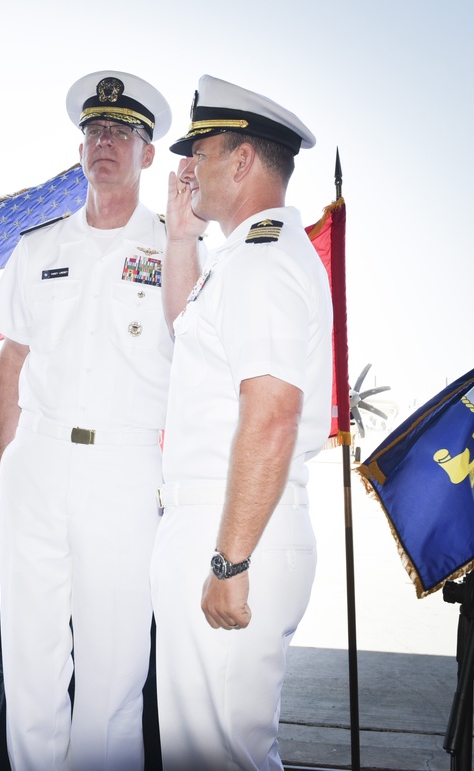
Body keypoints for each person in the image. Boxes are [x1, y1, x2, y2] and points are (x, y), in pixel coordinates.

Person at [0, 70, 203, 771]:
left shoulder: (177, 246)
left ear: (147, 155)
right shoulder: (38, 246)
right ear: (81, 148)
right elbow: (12, 359)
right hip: (37, 464)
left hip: (124, 469)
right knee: (30, 658)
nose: (105, 142)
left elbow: (198, 354)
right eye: (95, 131)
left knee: (113, 667)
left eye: (124, 132)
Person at [151, 75, 333, 770]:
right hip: (222, 524)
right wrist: (180, 238)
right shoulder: (244, 261)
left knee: (221, 755)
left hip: (233, 531)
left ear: (244, 161)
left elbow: (273, 415)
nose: (186, 167)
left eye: (200, 151)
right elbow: (183, 328)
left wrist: (230, 560)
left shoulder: (261, 264)